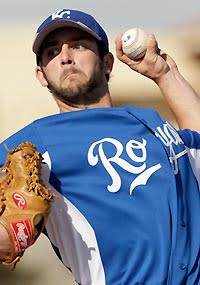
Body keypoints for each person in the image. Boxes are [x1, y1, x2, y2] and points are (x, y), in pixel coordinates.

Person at [0, 8, 199, 285]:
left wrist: (165, 74)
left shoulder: (150, 121)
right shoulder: (33, 145)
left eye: (78, 45)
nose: (66, 57)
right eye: (52, 53)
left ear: (107, 63)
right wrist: (11, 232)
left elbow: (196, 146)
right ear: (41, 75)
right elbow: (6, 240)